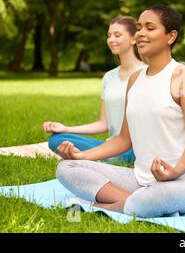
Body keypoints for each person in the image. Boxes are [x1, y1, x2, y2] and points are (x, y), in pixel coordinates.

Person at [55, 5, 185, 218]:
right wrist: (83, 156)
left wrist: (175, 172)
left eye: (150, 28)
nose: (141, 34)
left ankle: (95, 206)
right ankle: (138, 204)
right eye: (139, 28)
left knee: (157, 196)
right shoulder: (134, 81)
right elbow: (123, 139)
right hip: (140, 180)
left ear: (171, 36)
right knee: (67, 168)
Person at [42, 16, 146, 163]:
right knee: (57, 140)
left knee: (124, 154)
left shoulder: (147, 73)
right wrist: (66, 128)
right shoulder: (109, 77)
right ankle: (100, 157)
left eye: (117, 35)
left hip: (137, 148)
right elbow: (103, 124)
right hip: (112, 146)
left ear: (134, 38)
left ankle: (94, 157)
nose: (111, 40)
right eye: (109, 35)